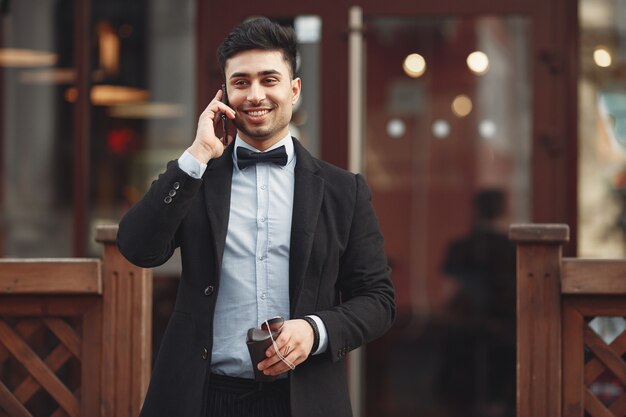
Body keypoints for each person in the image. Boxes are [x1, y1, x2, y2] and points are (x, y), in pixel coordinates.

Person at [117, 17, 396, 417]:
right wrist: (196, 155)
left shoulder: (343, 190)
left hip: (304, 400)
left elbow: (378, 300)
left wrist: (315, 330)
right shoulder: (197, 177)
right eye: (241, 82)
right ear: (225, 93)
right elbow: (136, 247)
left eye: (269, 79)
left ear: (294, 89)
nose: (255, 94)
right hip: (203, 398)